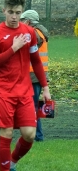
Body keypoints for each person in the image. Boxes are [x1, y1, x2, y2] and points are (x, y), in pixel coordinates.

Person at [0, 0, 51, 171]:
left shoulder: (29, 32)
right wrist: (13, 48)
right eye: (11, 12)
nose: (14, 16)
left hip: (24, 91)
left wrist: (45, 87)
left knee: (29, 135)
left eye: (18, 13)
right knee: (6, 133)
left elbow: (36, 61)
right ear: (4, 10)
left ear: (22, 13)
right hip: (3, 91)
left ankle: (12, 163)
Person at [20, 10, 50, 142]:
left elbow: (25, 50)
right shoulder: (40, 32)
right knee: (33, 106)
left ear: (28, 21)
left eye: (22, 20)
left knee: (31, 107)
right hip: (38, 75)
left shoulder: (34, 34)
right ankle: (36, 135)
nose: (20, 22)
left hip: (33, 75)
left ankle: (37, 136)